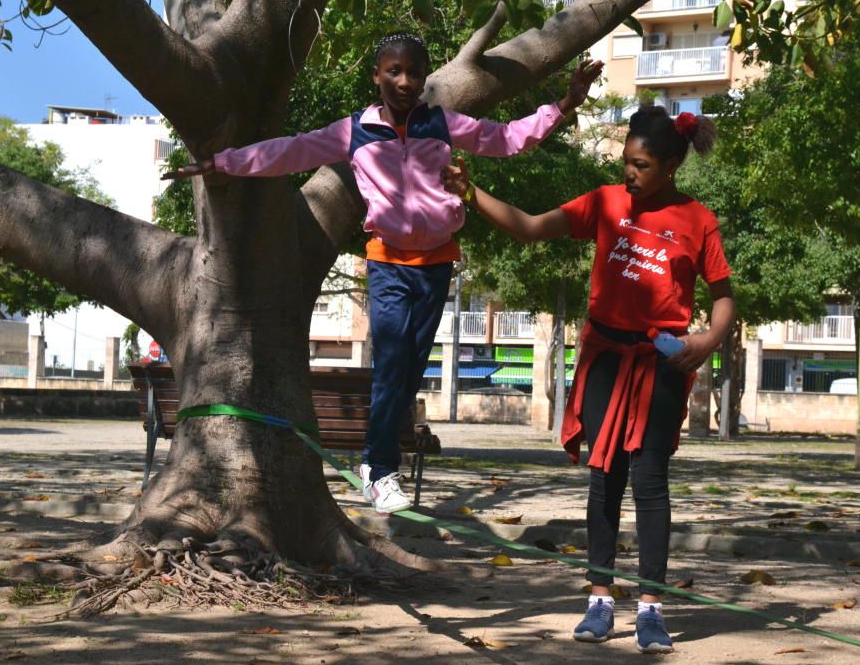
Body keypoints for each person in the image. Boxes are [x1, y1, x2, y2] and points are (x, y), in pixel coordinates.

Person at [162, 32, 603, 514]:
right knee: (392, 361)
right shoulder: (354, 131)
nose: (405, 81)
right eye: (394, 71)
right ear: (376, 76)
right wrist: (222, 164)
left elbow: (507, 139)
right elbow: (288, 152)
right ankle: (378, 468)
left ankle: (380, 463)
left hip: (435, 264)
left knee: (411, 367)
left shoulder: (442, 124)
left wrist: (564, 104)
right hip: (388, 262)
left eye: (415, 72)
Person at [442, 105, 735, 654]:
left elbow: (724, 300)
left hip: (659, 366)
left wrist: (707, 342)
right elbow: (529, 229)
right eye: (626, 161)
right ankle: (599, 599)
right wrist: (469, 194)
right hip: (604, 358)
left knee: (649, 484)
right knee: (605, 478)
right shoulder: (604, 202)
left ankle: (650, 608)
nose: (630, 173)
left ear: (671, 165)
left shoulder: (699, 220)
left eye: (642, 165)